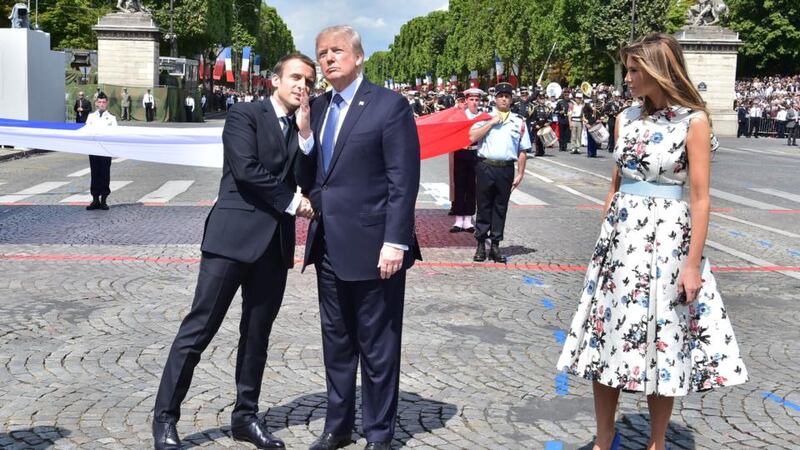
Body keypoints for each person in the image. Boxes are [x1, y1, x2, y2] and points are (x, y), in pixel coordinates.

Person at [556, 33, 748, 450]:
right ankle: (603, 440)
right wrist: (605, 239)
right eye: (627, 69)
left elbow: (700, 197)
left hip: (668, 241)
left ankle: (656, 443)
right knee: (605, 336)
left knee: (664, 340)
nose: (627, 78)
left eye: (633, 69)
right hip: (621, 243)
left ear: (659, 71)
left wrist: (692, 263)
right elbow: (616, 183)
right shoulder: (625, 118)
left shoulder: (693, 121)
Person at [152, 53, 317, 450]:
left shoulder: (304, 126)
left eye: (309, 82)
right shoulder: (244, 115)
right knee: (198, 330)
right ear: (276, 79)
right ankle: (164, 419)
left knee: (257, 335)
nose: (302, 87)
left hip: (274, 246)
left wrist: (307, 135)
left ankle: (245, 417)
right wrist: (294, 203)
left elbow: (309, 177)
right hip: (231, 240)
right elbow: (245, 170)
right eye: (296, 77)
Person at [300, 25, 420, 450]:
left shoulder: (390, 106)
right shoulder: (314, 107)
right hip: (328, 244)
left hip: (375, 248)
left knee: (378, 347)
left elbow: (402, 180)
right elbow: (314, 175)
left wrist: (396, 241)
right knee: (336, 343)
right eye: (322, 53)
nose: (328, 59)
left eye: (336, 51)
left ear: (358, 57)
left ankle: (379, 434)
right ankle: (338, 427)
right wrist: (303, 136)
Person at [469, 82, 531, 263]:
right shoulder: (484, 117)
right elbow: (472, 137)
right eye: (500, 96)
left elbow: (522, 150)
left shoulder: (518, 121)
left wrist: (520, 173)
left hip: (505, 168)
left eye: (507, 96)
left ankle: (495, 245)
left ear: (511, 100)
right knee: (483, 206)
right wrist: (490, 123)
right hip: (485, 166)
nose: (504, 99)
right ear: (495, 99)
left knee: (500, 207)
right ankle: (480, 244)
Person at [450, 88, 482, 233]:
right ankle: (458, 219)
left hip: (475, 153)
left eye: (476, 100)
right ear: (466, 100)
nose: (474, 103)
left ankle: (468, 219)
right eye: (471, 100)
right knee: (459, 185)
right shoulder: (460, 115)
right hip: (461, 152)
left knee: (471, 186)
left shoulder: (483, 117)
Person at [83, 92, 117, 211]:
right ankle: (95, 199)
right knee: (95, 174)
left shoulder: (112, 118)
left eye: (103, 102)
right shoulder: (91, 116)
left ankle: (104, 200)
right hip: (93, 149)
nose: (101, 104)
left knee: (104, 174)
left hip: (105, 150)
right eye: (99, 102)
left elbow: (114, 134)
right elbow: (86, 131)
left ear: (106, 103)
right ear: (96, 103)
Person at [530, 92, 552, 157]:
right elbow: (532, 118)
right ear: (538, 99)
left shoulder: (547, 108)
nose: (542, 100)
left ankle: (542, 150)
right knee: (537, 139)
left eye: (543, 99)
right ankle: (538, 151)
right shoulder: (535, 108)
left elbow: (550, 117)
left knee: (543, 139)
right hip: (538, 124)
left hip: (544, 125)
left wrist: (548, 123)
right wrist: (535, 124)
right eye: (541, 99)